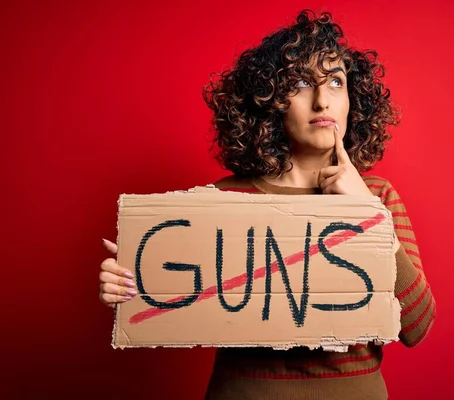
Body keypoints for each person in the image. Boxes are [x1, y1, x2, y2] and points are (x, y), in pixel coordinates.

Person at [98, 9, 435, 399]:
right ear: (270, 100)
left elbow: (418, 325)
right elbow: (175, 301)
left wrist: (367, 214)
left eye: (336, 82)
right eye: (302, 83)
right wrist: (130, 284)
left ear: (353, 101)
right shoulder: (224, 199)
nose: (322, 100)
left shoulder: (378, 196)